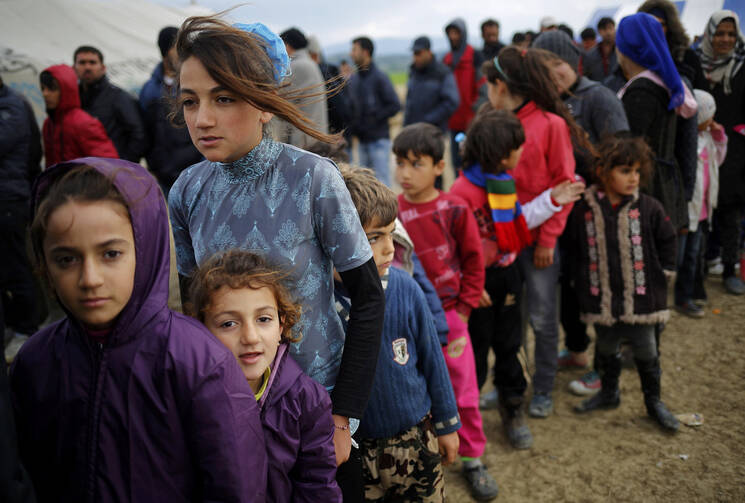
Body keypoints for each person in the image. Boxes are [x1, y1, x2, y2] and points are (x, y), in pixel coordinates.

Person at [167, 17, 384, 503]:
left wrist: (342, 417)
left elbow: (369, 299)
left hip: (318, 418)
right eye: (189, 100)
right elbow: (193, 320)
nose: (202, 118)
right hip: (229, 418)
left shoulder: (314, 180)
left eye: (224, 98)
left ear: (264, 104)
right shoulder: (186, 191)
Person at [10, 159, 267, 501]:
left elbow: (236, 488)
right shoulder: (35, 361)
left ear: (145, 250)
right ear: (43, 263)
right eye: (67, 259)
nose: (90, 279)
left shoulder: (199, 362)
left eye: (110, 254)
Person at [450, 109, 585, 449]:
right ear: (501, 153)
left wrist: (553, 199)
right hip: (476, 288)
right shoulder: (462, 193)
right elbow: (452, 248)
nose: (522, 152)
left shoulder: (501, 183)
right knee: (474, 355)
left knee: (510, 348)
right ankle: (466, 426)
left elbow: (515, 225)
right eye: (518, 147)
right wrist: (470, 284)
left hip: (508, 278)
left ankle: (513, 409)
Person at [336, 165, 460, 502]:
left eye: (392, 233)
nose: (390, 248)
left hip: (416, 442)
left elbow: (434, 360)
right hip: (353, 452)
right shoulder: (321, 304)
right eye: (375, 237)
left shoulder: (406, 289)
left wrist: (447, 426)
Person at [393, 123, 499, 502]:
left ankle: (472, 458)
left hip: (453, 318)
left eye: (415, 164)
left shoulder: (454, 208)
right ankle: (427, 450)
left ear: (439, 166)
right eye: (400, 163)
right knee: (417, 386)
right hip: (409, 319)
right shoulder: (393, 213)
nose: (404, 174)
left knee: (463, 390)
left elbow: (474, 260)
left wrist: (466, 311)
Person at [187, 250, 341, 502]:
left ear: (281, 325)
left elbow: (318, 486)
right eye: (229, 323)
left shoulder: (307, 400)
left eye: (263, 319)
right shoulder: (188, 399)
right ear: (203, 330)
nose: (250, 337)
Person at [483, 46, 585, 417]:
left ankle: (543, 387)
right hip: (504, 243)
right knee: (511, 319)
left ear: (502, 85)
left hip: (539, 243)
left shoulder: (551, 125)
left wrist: (547, 239)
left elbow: (565, 184)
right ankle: (510, 380)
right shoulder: (496, 125)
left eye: (488, 85)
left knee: (542, 318)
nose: (486, 93)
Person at [532, 31, 630, 392]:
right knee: (568, 288)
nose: (552, 73)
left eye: (556, 65)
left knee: (599, 289)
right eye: (544, 67)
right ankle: (576, 349)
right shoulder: (544, 103)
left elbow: (621, 158)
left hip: (597, 213)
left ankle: (608, 369)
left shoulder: (598, 98)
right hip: (559, 217)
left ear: (573, 63)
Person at [568, 134, 679, 433]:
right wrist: (576, 281)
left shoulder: (649, 207)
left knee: (646, 349)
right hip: (600, 296)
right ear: (604, 171)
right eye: (625, 171)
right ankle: (608, 393)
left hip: (641, 298)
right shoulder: (585, 210)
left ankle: (653, 401)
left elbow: (668, 239)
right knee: (605, 346)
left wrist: (665, 272)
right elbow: (574, 247)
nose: (633, 178)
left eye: (637, 172)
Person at [615, 13, 696, 234]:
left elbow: (631, 148)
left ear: (626, 48)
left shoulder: (641, 91)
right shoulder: (662, 83)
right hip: (665, 183)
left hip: (646, 185)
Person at [697, 10, 745, 295]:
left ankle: (729, 269)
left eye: (730, 34)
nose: (725, 39)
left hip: (735, 148)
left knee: (730, 209)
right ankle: (698, 267)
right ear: (709, 34)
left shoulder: (741, 69)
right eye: (719, 33)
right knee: (701, 208)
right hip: (700, 147)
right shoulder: (696, 64)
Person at [1, 75, 42, 359]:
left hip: (8, 198)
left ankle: (27, 327)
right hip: (11, 194)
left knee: (16, 265)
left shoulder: (11, 107)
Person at [675, 89, 727, 317]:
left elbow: (718, 160)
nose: (712, 121)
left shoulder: (706, 139)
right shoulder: (686, 142)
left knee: (694, 255)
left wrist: (719, 137)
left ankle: (687, 295)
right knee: (680, 255)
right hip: (687, 211)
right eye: (709, 117)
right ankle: (678, 294)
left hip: (703, 211)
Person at [139, 26, 202, 194]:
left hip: (196, 173)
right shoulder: (150, 89)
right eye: (177, 48)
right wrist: (152, 165)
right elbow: (145, 131)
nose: (183, 53)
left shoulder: (197, 83)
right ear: (165, 51)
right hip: (163, 177)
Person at [73, 45, 147, 162]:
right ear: (74, 68)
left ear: (103, 68)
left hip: (111, 172)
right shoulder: (72, 100)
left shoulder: (118, 97)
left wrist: (123, 165)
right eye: (82, 63)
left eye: (92, 63)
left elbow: (138, 134)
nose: (87, 67)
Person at [39, 65, 117, 167]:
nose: (45, 94)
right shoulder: (49, 123)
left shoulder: (83, 123)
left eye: (52, 89)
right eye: (43, 88)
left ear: (67, 89)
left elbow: (109, 165)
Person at [347, 36, 401, 185]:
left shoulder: (380, 78)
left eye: (354, 50)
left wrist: (374, 119)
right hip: (362, 142)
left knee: (382, 184)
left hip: (379, 141)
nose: (351, 54)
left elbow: (395, 105)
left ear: (365, 52)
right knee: (365, 186)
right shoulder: (355, 80)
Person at [278, 28, 329, 148]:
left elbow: (278, 103)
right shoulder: (309, 63)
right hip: (315, 135)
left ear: (288, 45)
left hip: (304, 141)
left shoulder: (296, 66)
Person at [444, 18, 484, 170]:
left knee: (474, 161)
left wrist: (475, 111)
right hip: (453, 122)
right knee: (456, 163)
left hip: (472, 122)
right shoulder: (446, 59)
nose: (453, 37)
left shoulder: (475, 56)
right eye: (450, 33)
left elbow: (483, 87)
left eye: (456, 33)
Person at [403, 36, 460, 132]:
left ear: (428, 52)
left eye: (418, 53)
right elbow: (409, 101)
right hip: (413, 131)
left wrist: (428, 120)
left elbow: (452, 102)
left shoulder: (442, 73)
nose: (415, 57)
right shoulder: (413, 73)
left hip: (434, 132)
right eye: (414, 54)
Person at [307, 35, 352, 135]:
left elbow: (339, 105)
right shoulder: (330, 71)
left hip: (333, 133)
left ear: (314, 55)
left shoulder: (323, 75)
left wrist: (339, 132)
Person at [583, 17, 619, 83]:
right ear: (599, 31)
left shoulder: (621, 52)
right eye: (604, 29)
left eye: (610, 28)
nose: (608, 32)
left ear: (614, 29)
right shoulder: (590, 55)